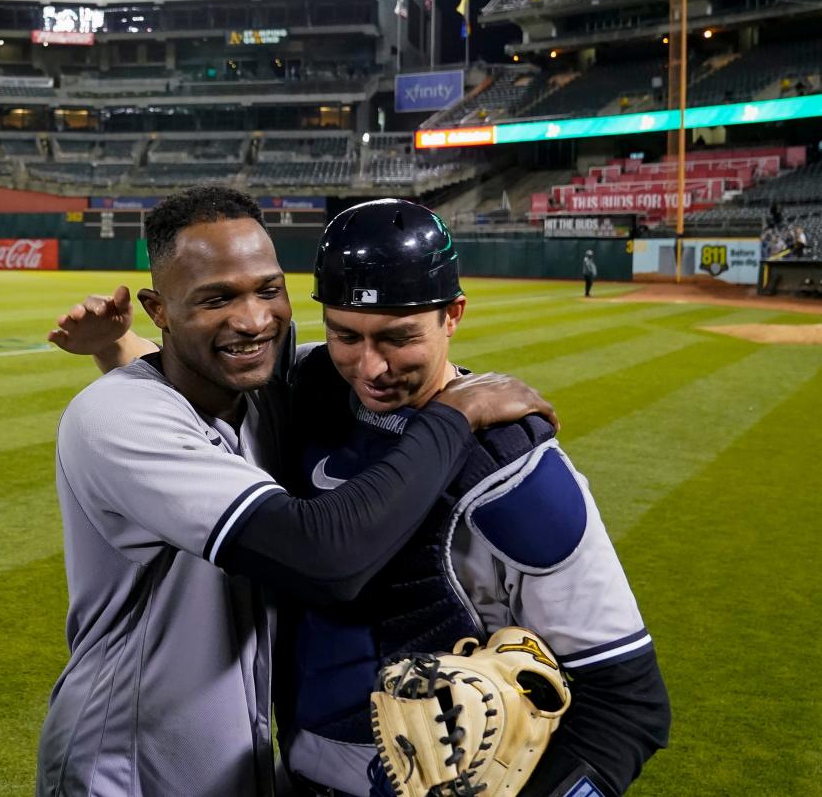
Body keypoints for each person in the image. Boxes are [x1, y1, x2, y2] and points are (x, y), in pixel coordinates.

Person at [36, 187, 556, 797]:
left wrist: (112, 344)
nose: (254, 320)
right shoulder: (113, 419)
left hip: (243, 757)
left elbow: (367, 362)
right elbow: (324, 556)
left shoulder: (263, 387)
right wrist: (457, 413)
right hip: (126, 765)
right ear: (160, 308)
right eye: (217, 298)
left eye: (268, 289)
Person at [275, 200, 670, 797]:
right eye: (344, 335)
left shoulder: (514, 472)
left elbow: (628, 704)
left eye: (398, 337)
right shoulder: (305, 398)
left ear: (452, 314)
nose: (370, 365)